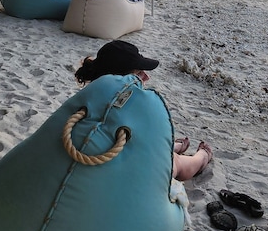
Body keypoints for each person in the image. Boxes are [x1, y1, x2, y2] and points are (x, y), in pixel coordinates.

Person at [74, 40, 212, 181]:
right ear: (122, 79)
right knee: (174, 161)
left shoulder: (84, 101)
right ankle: (201, 158)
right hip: (119, 172)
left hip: (99, 157)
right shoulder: (138, 107)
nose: (147, 77)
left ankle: (174, 147)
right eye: (139, 73)